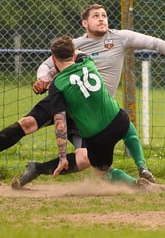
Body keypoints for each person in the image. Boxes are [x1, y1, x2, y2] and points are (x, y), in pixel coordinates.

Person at [0, 3, 165, 186]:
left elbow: (155, 43)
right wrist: (43, 79)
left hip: (89, 112)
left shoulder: (119, 38)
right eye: (96, 16)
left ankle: (37, 168)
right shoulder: (75, 45)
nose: (102, 19)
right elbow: (46, 64)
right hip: (64, 98)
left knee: (84, 159)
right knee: (28, 123)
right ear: (84, 22)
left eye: (104, 15)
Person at [45, 35, 158, 189]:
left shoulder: (57, 85)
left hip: (96, 137)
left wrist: (63, 157)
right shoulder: (87, 60)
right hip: (117, 120)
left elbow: (60, 124)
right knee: (129, 130)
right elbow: (78, 53)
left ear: (53, 57)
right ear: (73, 54)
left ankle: (136, 185)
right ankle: (142, 166)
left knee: (102, 171)